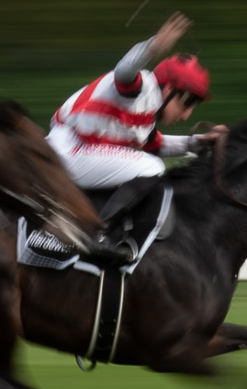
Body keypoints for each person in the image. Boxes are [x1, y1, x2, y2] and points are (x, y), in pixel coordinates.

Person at [48, 13, 213, 264]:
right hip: (69, 152)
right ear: (168, 89)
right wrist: (152, 47)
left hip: (71, 150)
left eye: (195, 104)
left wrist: (199, 142)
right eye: (188, 100)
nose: (188, 112)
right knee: (150, 167)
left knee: (147, 161)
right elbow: (124, 73)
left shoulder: (146, 115)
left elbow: (156, 144)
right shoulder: (143, 88)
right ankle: (98, 234)